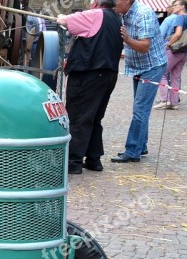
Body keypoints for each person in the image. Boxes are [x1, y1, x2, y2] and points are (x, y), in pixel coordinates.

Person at [57, 0, 123, 174]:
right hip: (108, 74)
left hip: (89, 72)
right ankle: (94, 159)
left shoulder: (95, 15)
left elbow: (65, 21)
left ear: (95, 4)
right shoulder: (116, 18)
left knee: (78, 117)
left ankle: (73, 162)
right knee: (94, 118)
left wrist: (60, 16)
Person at [110, 0, 168, 163]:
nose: (114, 2)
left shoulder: (143, 14)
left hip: (152, 66)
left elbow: (144, 46)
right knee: (140, 108)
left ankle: (133, 151)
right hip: (138, 66)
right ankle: (141, 146)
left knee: (140, 109)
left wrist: (127, 39)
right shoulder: (123, 12)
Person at [153, 0, 187, 110]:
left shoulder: (180, 17)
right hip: (184, 51)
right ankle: (174, 102)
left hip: (175, 50)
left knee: (162, 72)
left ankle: (165, 99)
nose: (173, 7)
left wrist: (168, 45)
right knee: (176, 76)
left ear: (182, 7)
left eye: (175, 5)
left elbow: (177, 34)